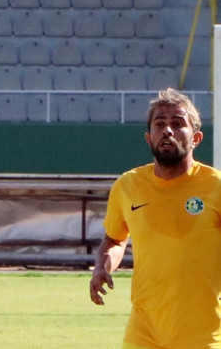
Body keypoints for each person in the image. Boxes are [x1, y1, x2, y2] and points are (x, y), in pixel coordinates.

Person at [89, 88, 221, 348]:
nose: (168, 130)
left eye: (177, 123)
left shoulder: (215, 186)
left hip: (201, 334)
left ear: (196, 137)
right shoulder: (128, 186)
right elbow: (115, 239)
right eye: (160, 124)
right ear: (149, 138)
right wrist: (102, 267)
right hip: (144, 331)